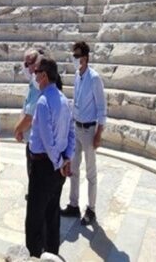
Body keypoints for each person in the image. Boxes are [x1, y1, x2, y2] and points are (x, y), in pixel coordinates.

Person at [25, 57, 75, 258]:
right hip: (58, 167)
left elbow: (47, 140)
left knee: (34, 222)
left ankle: (34, 257)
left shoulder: (44, 101)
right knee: (52, 217)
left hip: (45, 167)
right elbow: (71, 132)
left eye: (36, 72)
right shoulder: (64, 99)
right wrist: (66, 158)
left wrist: (58, 162)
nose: (34, 75)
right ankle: (52, 256)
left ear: (44, 75)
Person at [61, 41, 107, 225]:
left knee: (90, 172)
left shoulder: (94, 78)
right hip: (76, 127)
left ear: (85, 58)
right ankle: (73, 205)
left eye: (77, 55)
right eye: (73, 55)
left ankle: (91, 209)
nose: (74, 58)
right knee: (73, 168)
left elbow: (102, 108)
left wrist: (98, 134)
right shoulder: (78, 76)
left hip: (89, 129)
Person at [13, 48, 44, 142]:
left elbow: (30, 115)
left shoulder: (38, 85)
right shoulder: (33, 82)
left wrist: (18, 130)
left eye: (27, 64)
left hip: (36, 136)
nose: (25, 67)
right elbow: (26, 107)